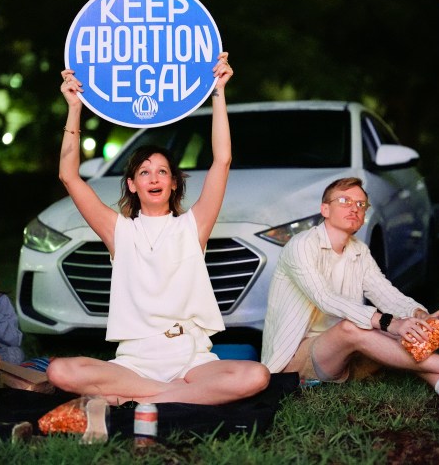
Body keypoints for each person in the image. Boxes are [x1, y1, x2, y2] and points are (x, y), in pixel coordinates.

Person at [46, 53, 271, 406]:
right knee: (60, 371)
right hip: (135, 361)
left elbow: (222, 161)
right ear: (133, 184)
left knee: (256, 375)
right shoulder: (117, 230)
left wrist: (218, 92)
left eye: (163, 171)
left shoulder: (193, 225)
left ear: (173, 184)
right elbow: (69, 176)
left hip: (191, 357)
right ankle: (175, 397)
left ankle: (145, 398)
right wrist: (74, 107)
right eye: (145, 172)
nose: (154, 177)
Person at [261, 177, 439, 410]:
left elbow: (386, 293)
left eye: (361, 204)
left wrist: (418, 315)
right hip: (294, 363)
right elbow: (325, 298)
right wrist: (391, 323)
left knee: (397, 329)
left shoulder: (358, 250)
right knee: (357, 327)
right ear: (325, 209)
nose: (355, 208)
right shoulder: (302, 245)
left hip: (341, 353)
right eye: (344, 200)